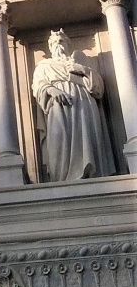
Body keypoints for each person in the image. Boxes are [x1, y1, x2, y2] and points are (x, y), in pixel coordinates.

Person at [32, 29, 114, 182]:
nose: (58, 45)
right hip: (57, 107)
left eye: (61, 41)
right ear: (50, 47)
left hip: (84, 105)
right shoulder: (44, 66)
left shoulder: (80, 63)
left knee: (86, 139)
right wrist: (51, 90)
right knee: (58, 140)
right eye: (55, 42)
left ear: (67, 44)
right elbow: (37, 86)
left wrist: (81, 70)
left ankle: (89, 174)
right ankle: (61, 178)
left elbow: (98, 88)